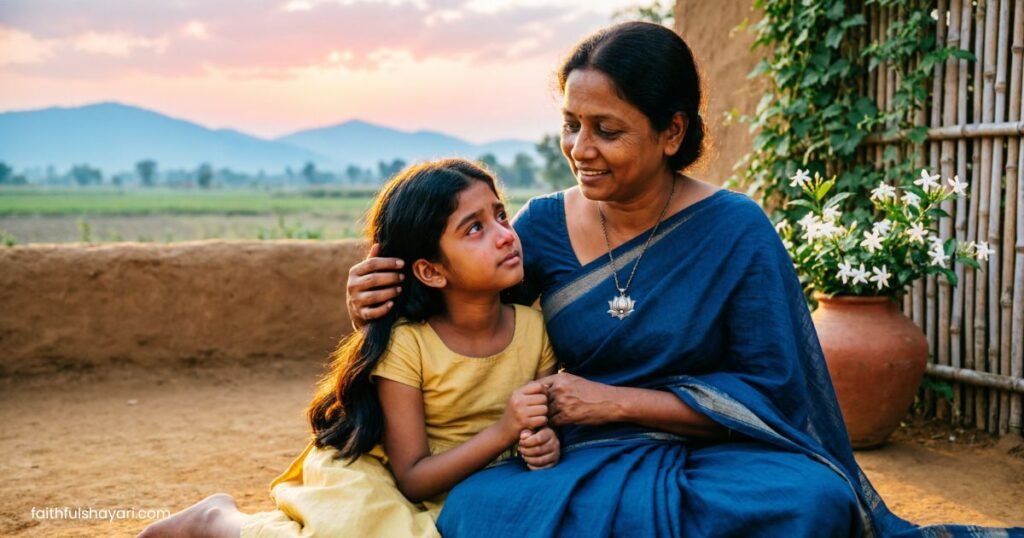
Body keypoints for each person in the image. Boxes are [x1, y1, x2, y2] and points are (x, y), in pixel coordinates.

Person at [347, 22, 1022, 537]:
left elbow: (772, 393)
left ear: (671, 132)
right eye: (571, 125)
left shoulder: (735, 229)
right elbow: (462, 302)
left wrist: (617, 403)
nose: (580, 149)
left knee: (815, 502)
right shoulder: (543, 226)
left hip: (717, 455)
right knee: (478, 510)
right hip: (580, 457)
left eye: (607, 130)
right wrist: (376, 301)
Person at [138, 158, 560, 538]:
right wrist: (503, 432)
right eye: (474, 228)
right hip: (383, 478)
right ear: (430, 271)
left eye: (500, 215)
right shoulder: (408, 344)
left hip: (477, 486)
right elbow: (412, 477)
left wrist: (540, 442)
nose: (505, 235)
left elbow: (537, 428)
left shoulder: (535, 331)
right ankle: (218, 521)